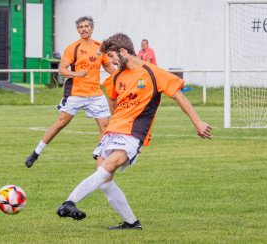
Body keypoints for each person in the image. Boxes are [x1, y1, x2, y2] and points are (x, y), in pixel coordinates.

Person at [56, 33, 212, 230]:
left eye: (112, 56)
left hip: (133, 133)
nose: (110, 61)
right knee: (104, 180)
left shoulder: (154, 73)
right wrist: (111, 127)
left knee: (108, 167)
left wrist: (197, 122)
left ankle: (69, 202)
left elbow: (179, 97)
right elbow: (112, 101)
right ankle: (132, 223)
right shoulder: (116, 78)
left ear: (123, 52)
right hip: (113, 132)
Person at [24, 16, 115, 168]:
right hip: (76, 93)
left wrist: (121, 75)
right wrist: (75, 74)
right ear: (78, 30)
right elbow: (62, 70)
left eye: (86, 26)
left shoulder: (100, 47)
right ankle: (36, 153)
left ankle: (99, 157)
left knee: (105, 126)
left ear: (92, 29)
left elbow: (107, 67)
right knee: (61, 123)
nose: (84, 29)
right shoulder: (73, 48)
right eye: (81, 27)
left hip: (96, 94)